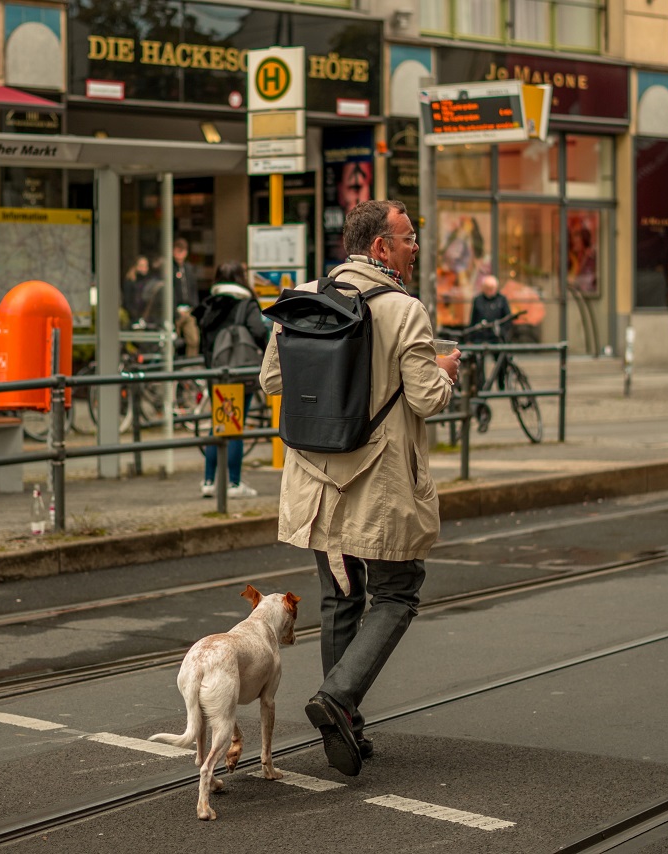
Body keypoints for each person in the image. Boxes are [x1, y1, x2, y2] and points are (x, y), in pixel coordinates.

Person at [260, 199, 460, 776]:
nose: (415, 246)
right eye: (408, 237)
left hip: (317, 482)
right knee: (398, 590)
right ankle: (339, 699)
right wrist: (444, 373)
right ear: (380, 248)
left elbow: (272, 379)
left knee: (340, 598)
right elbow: (426, 399)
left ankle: (344, 725)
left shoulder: (301, 296)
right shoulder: (404, 310)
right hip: (378, 481)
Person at [192, 261, 267, 499]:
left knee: (219, 425)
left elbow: (203, 340)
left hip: (215, 371)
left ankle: (209, 481)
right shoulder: (245, 303)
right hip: (238, 371)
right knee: (234, 426)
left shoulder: (210, 304)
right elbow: (258, 332)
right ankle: (234, 483)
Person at [469, 274, 512, 344]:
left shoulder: (501, 299)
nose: (490, 291)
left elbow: (508, 319)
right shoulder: (478, 300)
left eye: (492, 288)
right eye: (488, 288)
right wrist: (470, 338)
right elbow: (473, 319)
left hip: (497, 337)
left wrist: (502, 331)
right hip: (480, 337)